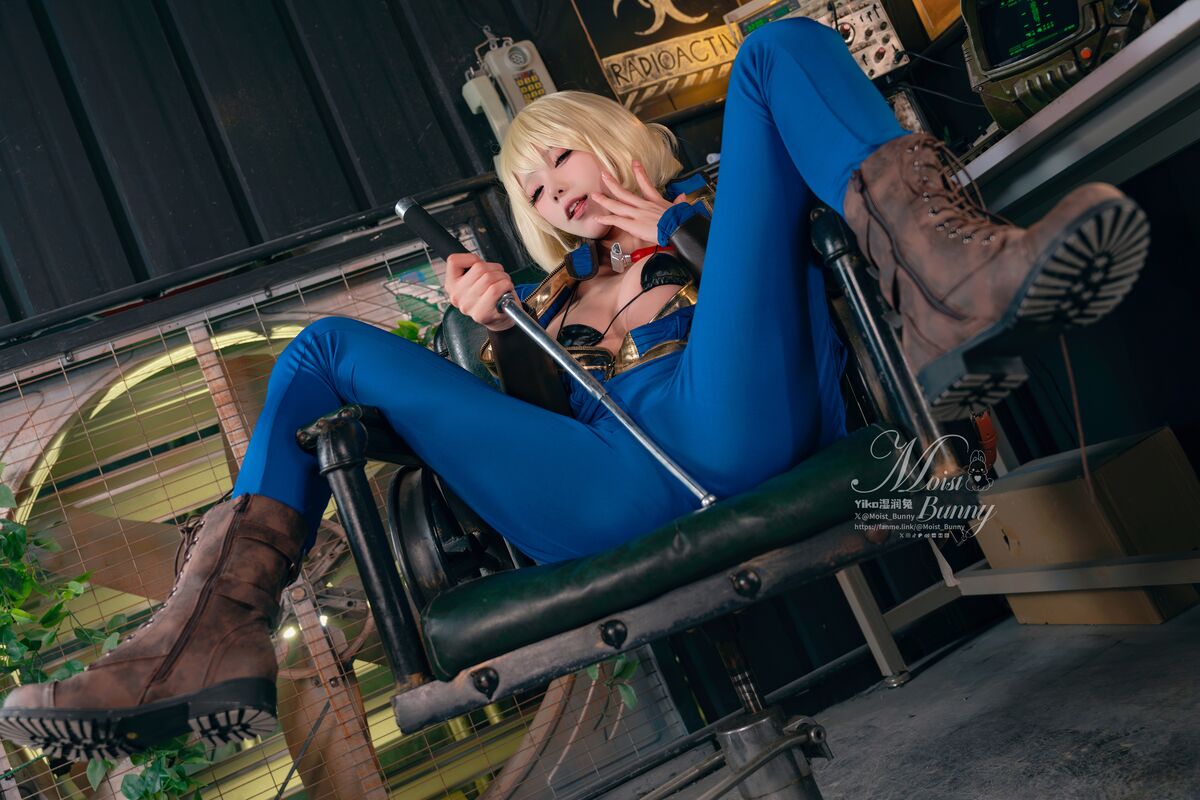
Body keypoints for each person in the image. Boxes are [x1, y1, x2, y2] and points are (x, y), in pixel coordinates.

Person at [0, 17, 1148, 759]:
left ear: (610, 138)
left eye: (561, 158)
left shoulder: (717, 201)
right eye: (533, 190)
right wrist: (486, 327)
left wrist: (676, 225)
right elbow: (514, 443)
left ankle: (967, 269)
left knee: (780, 44)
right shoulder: (543, 305)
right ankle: (207, 637)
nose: (554, 193)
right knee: (318, 352)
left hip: (731, 424)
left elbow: (790, 291)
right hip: (594, 489)